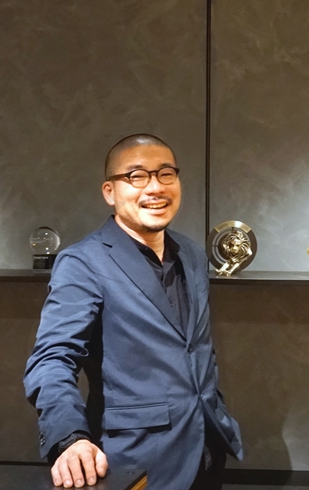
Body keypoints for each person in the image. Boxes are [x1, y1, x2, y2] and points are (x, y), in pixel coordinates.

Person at [24, 134, 242, 490]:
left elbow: (194, 347)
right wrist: (70, 437)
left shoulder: (191, 253)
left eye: (166, 174)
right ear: (110, 192)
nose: (155, 187)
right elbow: (52, 359)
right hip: (136, 460)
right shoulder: (83, 261)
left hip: (207, 448)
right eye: (136, 176)